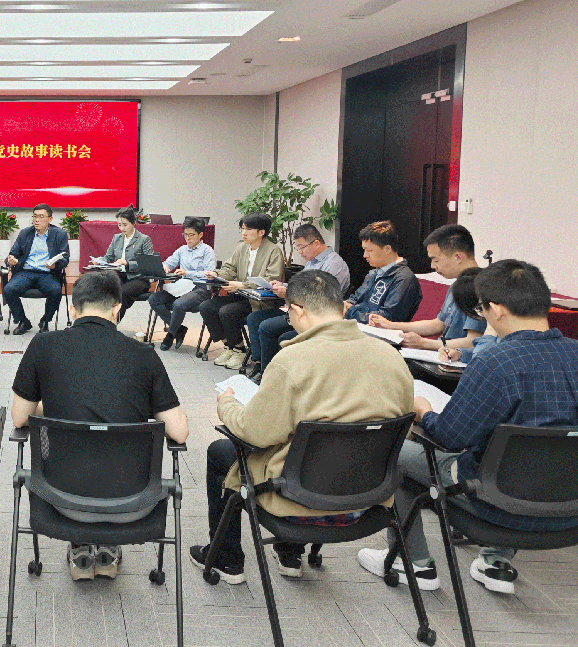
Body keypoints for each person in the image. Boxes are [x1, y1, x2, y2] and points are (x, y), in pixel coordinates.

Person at [357, 260, 578, 595]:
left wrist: (424, 412)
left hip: (496, 504)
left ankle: (412, 563)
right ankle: (495, 561)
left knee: (396, 453)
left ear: (497, 309)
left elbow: (449, 437)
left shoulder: (496, 362)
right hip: (567, 508)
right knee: (524, 454)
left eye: (481, 309)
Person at [191, 270, 413, 584]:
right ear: (342, 306)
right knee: (308, 442)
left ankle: (227, 559)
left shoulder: (292, 359)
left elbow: (255, 433)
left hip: (299, 499)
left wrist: (227, 404)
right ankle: (289, 553)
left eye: (288, 313)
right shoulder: (392, 357)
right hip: (369, 499)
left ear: (297, 309)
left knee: (223, 451)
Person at [11, 271, 189, 580]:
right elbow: (179, 432)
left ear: (72, 309)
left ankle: (80, 546)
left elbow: (18, 418)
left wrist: (52, 407)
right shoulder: (144, 355)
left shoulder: (42, 345)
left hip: (60, 493)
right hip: (131, 497)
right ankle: (109, 546)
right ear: (117, 309)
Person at [244, 223, 351, 379]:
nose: (300, 252)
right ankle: (260, 364)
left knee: (267, 327)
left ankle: (268, 374)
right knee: (254, 318)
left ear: (316, 243)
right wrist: (283, 285)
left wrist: (288, 292)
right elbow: (303, 286)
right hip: (297, 308)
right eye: (298, 248)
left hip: (314, 314)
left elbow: (321, 298)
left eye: (302, 247)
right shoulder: (312, 261)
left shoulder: (334, 265)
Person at [368, 224, 486, 355]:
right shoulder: (457, 284)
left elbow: (473, 341)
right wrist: (390, 325)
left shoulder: (480, 287)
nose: (432, 266)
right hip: (443, 354)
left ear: (458, 257)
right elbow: (439, 324)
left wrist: (424, 343)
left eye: (436, 260)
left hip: (457, 360)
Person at [198, 212, 285, 370]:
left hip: (258, 300)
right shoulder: (242, 248)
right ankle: (230, 346)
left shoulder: (273, 251)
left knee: (227, 311)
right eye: (242, 229)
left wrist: (241, 285)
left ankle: (240, 350)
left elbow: (271, 280)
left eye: (248, 229)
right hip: (240, 294)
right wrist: (216, 274)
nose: (243, 233)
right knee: (206, 307)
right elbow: (230, 269)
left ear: (261, 232)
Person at [147, 217, 216, 351]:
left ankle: (170, 335)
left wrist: (187, 273)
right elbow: (169, 262)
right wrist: (165, 267)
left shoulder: (207, 251)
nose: (187, 238)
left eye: (191, 235)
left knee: (178, 305)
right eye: (185, 234)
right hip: (183, 286)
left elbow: (209, 274)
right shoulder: (182, 250)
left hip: (200, 288)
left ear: (200, 235)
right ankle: (179, 329)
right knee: (154, 299)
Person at [3, 203, 71, 334]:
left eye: (41, 217)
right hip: (26, 272)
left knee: (56, 291)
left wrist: (55, 265)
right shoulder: (25, 233)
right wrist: (12, 260)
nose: (37, 220)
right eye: (35, 216)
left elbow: (65, 258)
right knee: (9, 289)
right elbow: (13, 254)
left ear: (50, 219)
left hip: (48, 273)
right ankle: (23, 321)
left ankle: (45, 321)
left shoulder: (60, 234)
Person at [344, 220, 422, 323]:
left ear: (387, 249)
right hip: (360, 325)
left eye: (369, 250)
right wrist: (344, 305)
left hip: (379, 331)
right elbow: (356, 298)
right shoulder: (373, 273)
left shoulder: (404, 279)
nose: (365, 255)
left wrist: (349, 312)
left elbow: (387, 318)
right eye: (364, 250)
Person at [100, 205, 156, 321]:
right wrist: (98, 261)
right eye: (119, 225)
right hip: (119, 275)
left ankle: (112, 322)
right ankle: (102, 321)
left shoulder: (144, 239)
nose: (122, 228)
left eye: (125, 225)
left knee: (122, 292)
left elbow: (148, 265)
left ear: (134, 223)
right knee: (104, 288)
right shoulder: (117, 238)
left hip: (138, 278)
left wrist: (128, 263)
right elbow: (108, 257)